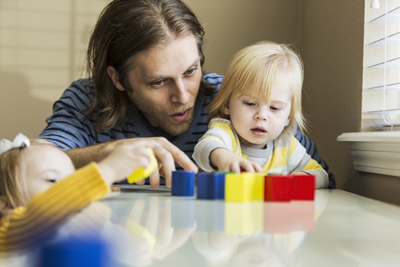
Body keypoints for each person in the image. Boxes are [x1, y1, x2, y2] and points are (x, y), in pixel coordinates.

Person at [38, 0, 335, 189]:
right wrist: (107, 153)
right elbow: (20, 166)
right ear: (118, 78)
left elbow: (322, 178)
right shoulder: (87, 100)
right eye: (158, 82)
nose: (182, 96)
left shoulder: (237, 99)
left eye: (191, 71)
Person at [193, 41, 329, 189]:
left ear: (288, 116)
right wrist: (224, 158)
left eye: (274, 108)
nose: (261, 115)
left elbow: (322, 175)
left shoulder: (286, 145)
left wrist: (296, 180)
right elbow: (204, 148)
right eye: (250, 104)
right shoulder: (226, 132)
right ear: (227, 104)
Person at [0, 133, 166, 253]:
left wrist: (128, 248)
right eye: (52, 180)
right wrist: (108, 170)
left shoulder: (74, 224)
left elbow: (107, 239)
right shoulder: (9, 231)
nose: (70, 187)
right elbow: (39, 217)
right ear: (5, 204)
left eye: (73, 178)